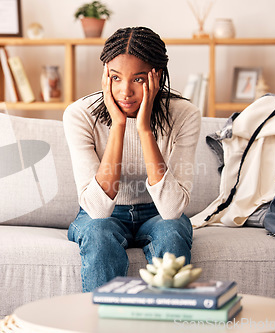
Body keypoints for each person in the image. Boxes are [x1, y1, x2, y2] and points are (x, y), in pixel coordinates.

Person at [63, 26, 201, 293]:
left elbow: (172, 211)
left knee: (172, 232)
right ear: (105, 75)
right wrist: (118, 126)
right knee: (98, 233)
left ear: (157, 75)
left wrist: (144, 129)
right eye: (115, 78)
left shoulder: (185, 114)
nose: (125, 91)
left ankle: (170, 321)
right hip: (104, 215)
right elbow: (97, 210)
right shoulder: (79, 114)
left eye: (138, 79)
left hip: (158, 213)